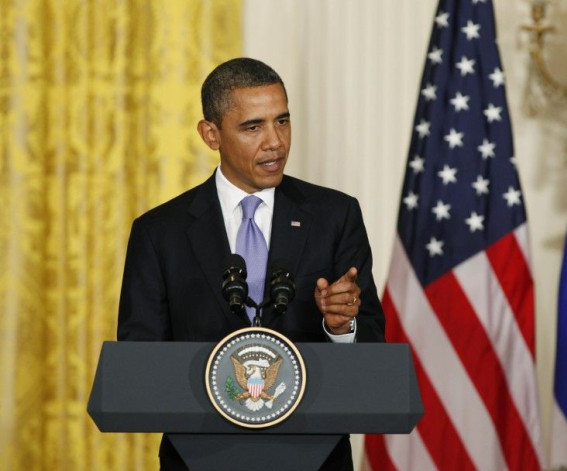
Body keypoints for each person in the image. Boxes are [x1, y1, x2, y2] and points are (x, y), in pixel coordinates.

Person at [117, 57, 386, 470]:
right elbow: (140, 363)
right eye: (253, 127)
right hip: (199, 456)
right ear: (211, 134)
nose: (275, 142)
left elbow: (372, 350)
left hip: (313, 458)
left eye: (282, 121)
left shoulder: (335, 215)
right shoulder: (160, 233)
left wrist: (342, 328)